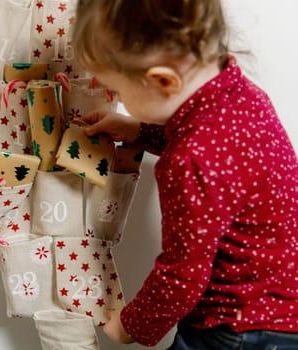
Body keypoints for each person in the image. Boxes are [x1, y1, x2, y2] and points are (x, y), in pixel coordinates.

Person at [72, 0, 298, 349]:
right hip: (283, 310)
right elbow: (216, 155)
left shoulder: (190, 160)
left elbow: (181, 275)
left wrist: (129, 326)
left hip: (236, 328)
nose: (116, 98)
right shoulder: (243, 96)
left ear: (162, 80)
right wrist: (138, 131)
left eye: (118, 91)